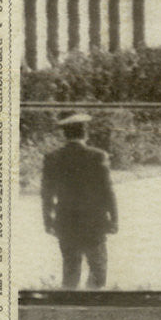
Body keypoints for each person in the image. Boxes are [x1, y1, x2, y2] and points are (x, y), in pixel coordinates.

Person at [42, 112, 118, 289]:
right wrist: (114, 219)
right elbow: (108, 191)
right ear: (85, 132)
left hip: (65, 221)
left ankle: (69, 307)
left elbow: (46, 194)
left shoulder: (53, 157)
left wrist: (48, 221)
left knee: (70, 270)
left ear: (65, 134)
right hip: (94, 222)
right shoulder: (98, 156)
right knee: (98, 271)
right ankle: (92, 306)